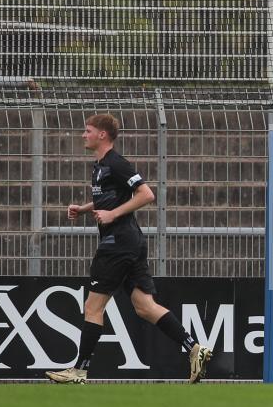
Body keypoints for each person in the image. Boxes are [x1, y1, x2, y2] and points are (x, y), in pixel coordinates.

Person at [46, 114, 212, 384]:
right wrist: (85, 208)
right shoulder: (99, 166)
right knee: (145, 306)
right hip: (130, 243)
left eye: (87, 131)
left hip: (117, 244)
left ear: (102, 135)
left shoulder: (116, 163)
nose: (83, 135)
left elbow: (146, 194)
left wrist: (112, 216)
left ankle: (78, 370)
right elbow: (110, 197)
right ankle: (194, 348)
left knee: (93, 307)